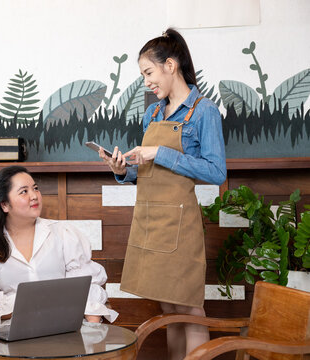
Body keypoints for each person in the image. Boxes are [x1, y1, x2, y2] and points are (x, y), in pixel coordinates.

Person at [99, 28, 226, 359]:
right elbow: (147, 173)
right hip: (151, 221)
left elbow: (216, 171)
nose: (146, 83)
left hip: (180, 226)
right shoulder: (152, 114)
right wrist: (121, 169)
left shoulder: (203, 111)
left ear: (170, 65)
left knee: (190, 310)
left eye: (148, 73)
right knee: (170, 312)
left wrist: (160, 153)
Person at [0, 166, 118, 323]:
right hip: (13, 333)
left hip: (65, 329)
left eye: (35, 188)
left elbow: (86, 289)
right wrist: (35, 306)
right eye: (24, 191)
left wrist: (93, 333)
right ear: (4, 205)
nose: (34, 196)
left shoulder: (64, 234)